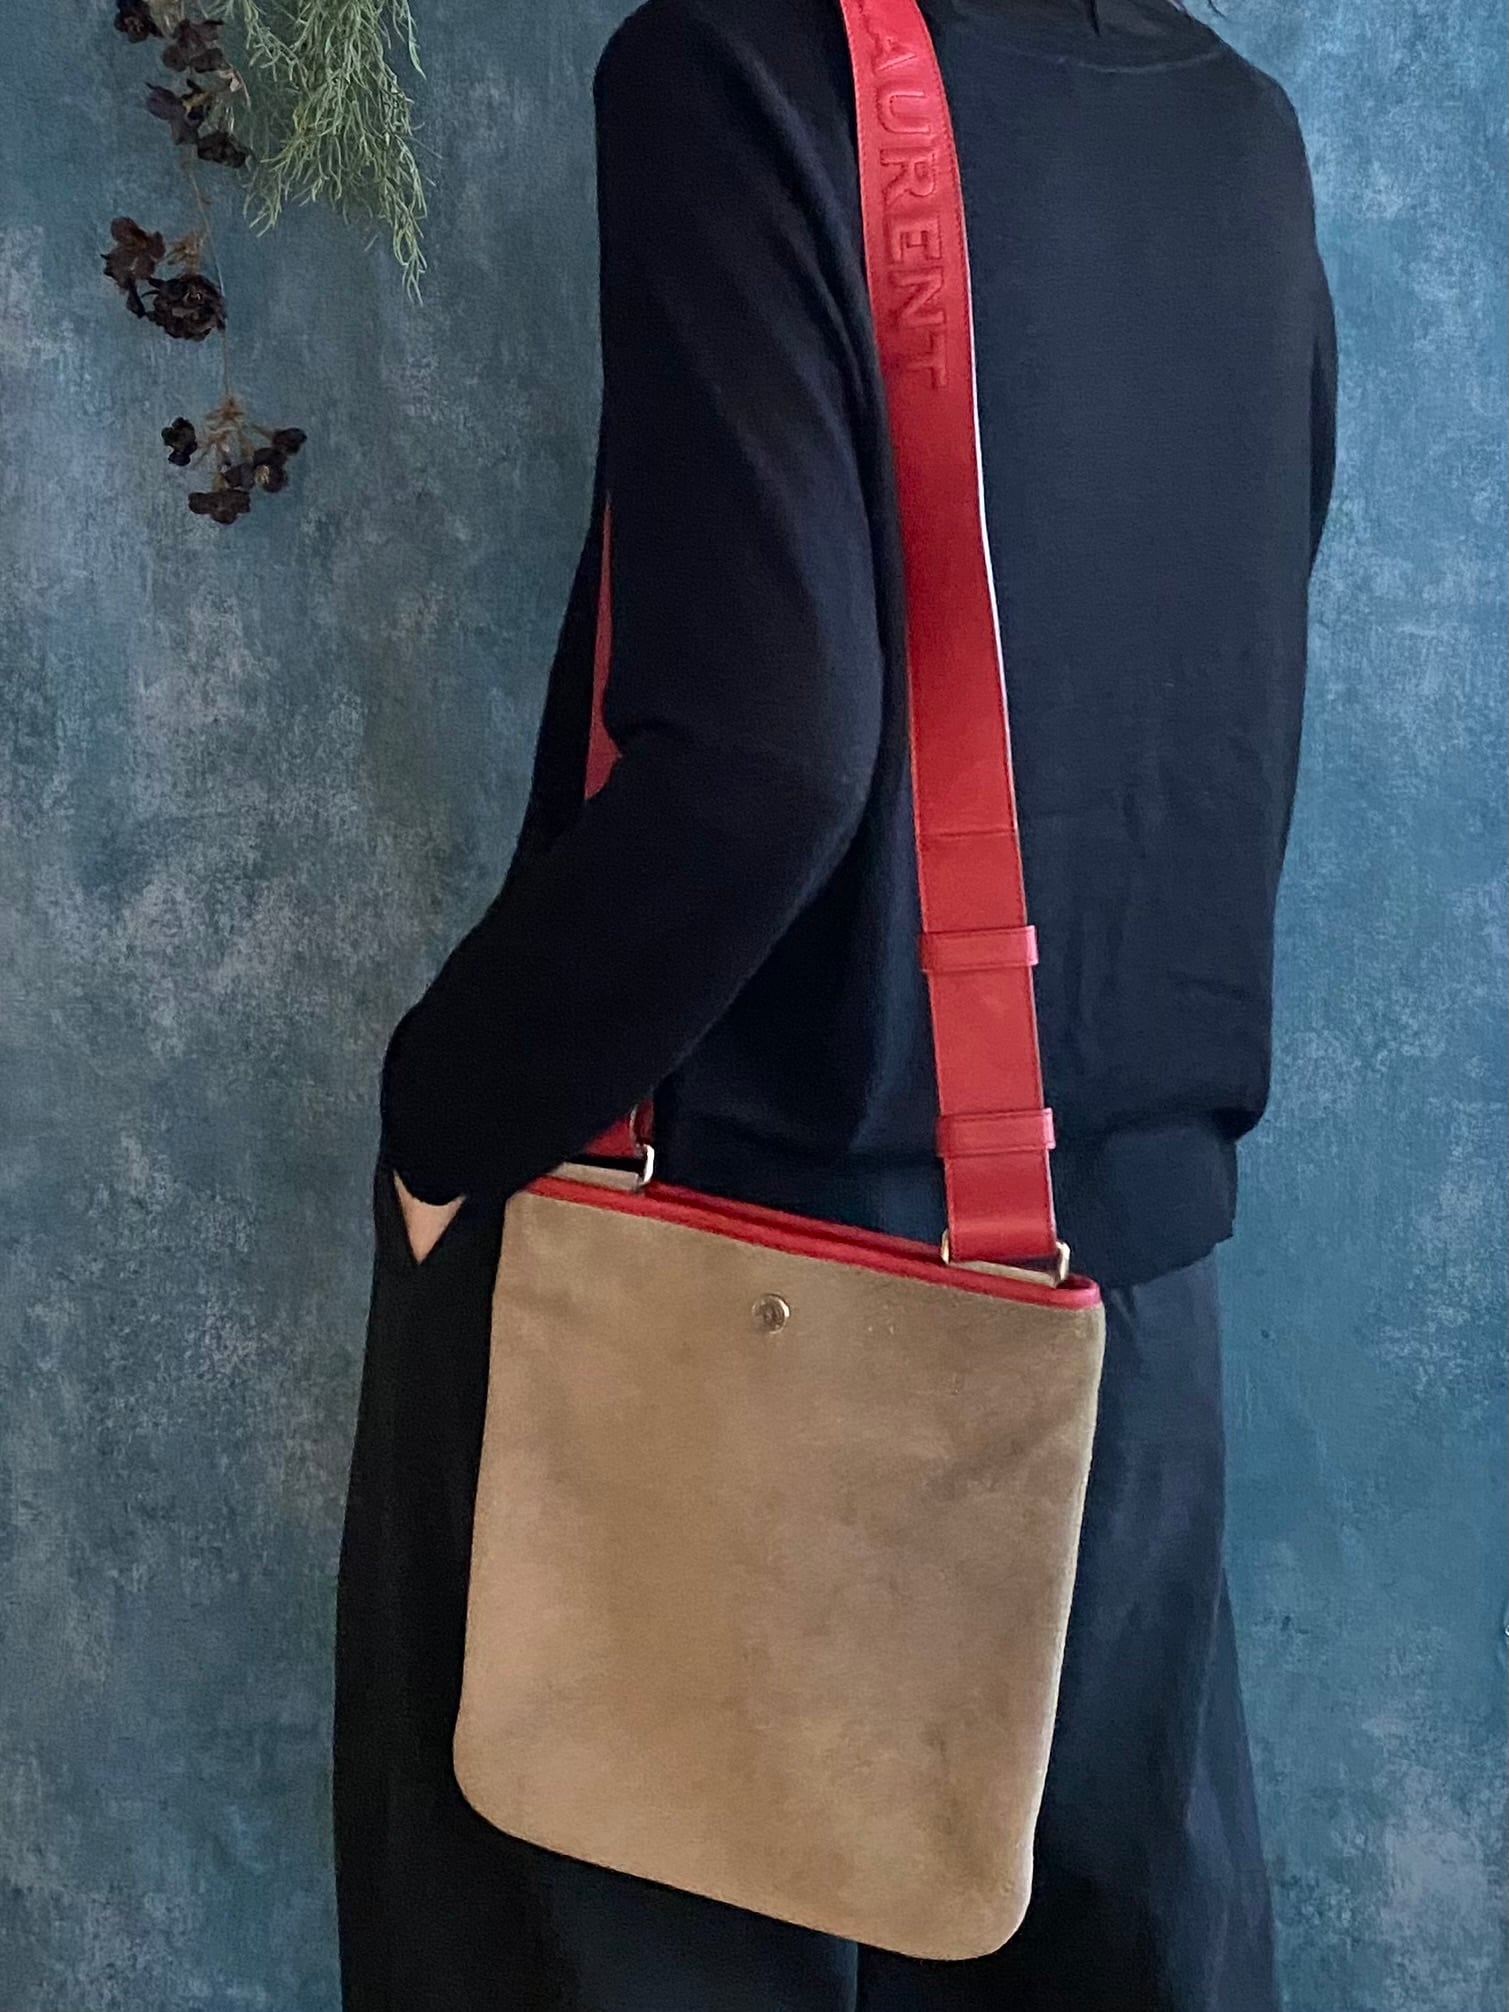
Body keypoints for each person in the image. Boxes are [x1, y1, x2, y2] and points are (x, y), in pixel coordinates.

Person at [333, 0, 1339, 2003]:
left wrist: (445, 1111)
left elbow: (767, 760)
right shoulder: (1235, 126)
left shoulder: (730, 67)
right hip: (1122, 1317)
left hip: (740, 1294)